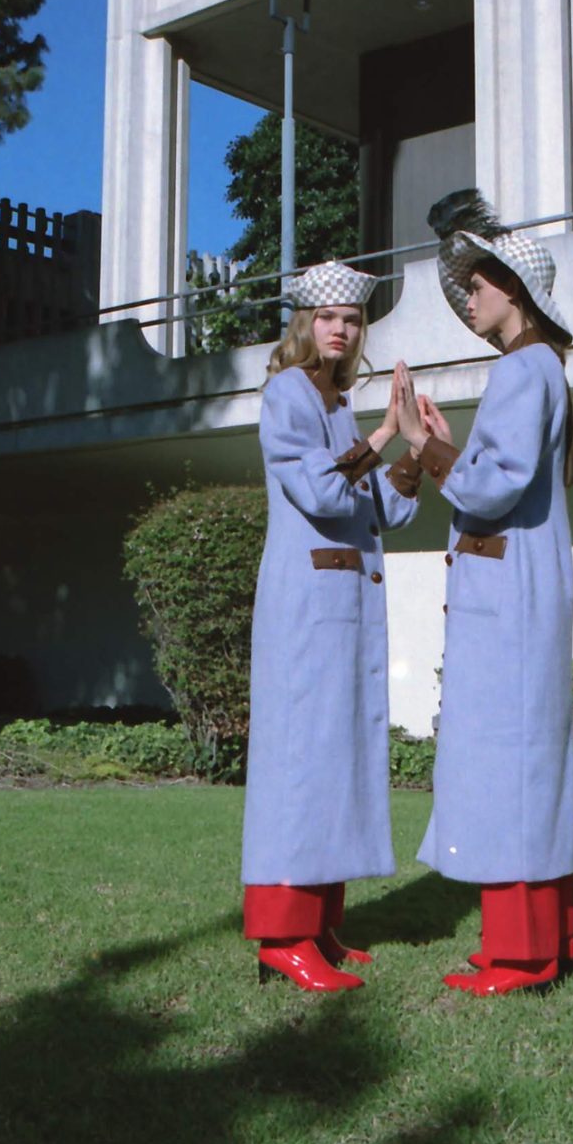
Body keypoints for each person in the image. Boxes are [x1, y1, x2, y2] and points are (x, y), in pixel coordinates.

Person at [394, 190, 573, 997]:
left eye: (476, 285)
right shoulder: (541, 369)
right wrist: (448, 448)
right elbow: (502, 476)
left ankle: (521, 956)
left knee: (508, 767)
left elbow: (490, 489)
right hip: (520, 588)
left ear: (512, 287)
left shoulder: (520, 369)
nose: (467, 300)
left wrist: (425, 448)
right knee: (526, 764)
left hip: (508, 596)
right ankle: (544, 941)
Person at [241, 260, 423, 993]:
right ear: (304, 323)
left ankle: (319, 926)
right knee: (300, 764)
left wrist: (413, 449)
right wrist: (382, 435)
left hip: (337, 607)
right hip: (305, 611)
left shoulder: (335, 404)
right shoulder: (287, 392)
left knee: (334, 761)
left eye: (352, 319)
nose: (342, 330)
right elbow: (320, 490)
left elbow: (384, 509)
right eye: (328, 318)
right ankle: (282, 937)